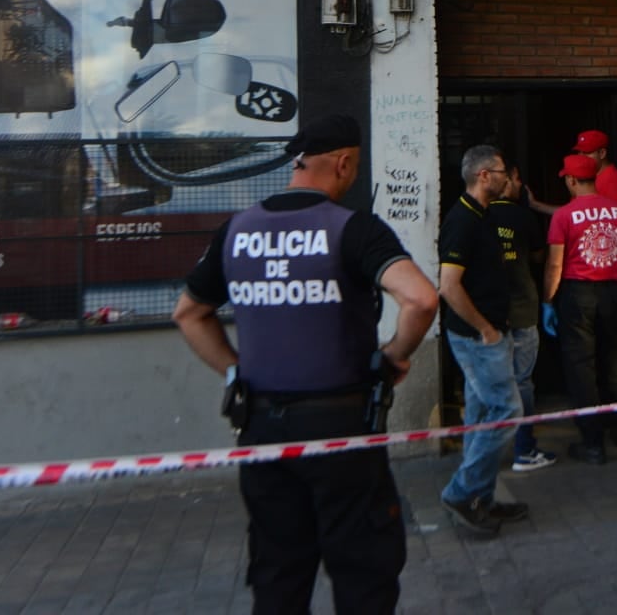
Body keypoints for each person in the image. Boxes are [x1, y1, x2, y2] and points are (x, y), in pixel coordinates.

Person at [172, 113, 439, 615]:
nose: (354, 177)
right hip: (341, 429)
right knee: (363, 574)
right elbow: (421, 299)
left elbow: (189, 313)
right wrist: (393, 358)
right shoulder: (353, 229)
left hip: (262, 430)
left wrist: (236, 371)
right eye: (354, 168)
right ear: (342, 163)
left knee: (278, 574)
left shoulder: (237, 230)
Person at [438, 144, 529, 537]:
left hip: (492, 331)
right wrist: (486, 329)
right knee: (508, 411)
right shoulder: (462, 220)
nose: (508, 177)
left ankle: (481, 499)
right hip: (479, 338)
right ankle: (463, 492)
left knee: (480, 417)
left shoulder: (486, 215)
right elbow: (449, 286)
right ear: (483, 175)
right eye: (501, 171)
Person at [543, 153, 617, 464]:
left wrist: (547, 301)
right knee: (615, 361)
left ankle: (593, 442)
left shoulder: (564, 216)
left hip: (577, 293)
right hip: (612, 290)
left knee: (581, 367)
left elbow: (555, 264)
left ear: (571, 180)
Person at [487, 161, 558, 473]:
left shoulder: (477, 216)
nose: (519, 184)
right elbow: (540, 258)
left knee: (487, 384)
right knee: (522, 381)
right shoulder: (524, 217)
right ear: (506, 182)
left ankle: (486, 452)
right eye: (516, 178)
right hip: (523, 309)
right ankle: (524, 450)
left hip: (487, 315)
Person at [572, 128, 617, 207]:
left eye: (587, 152)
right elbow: (573, 211)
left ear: (602, 153)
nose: (581, 156)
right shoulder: (591, 176)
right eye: (579, 152)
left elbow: (615, 218)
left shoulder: (614, 183)